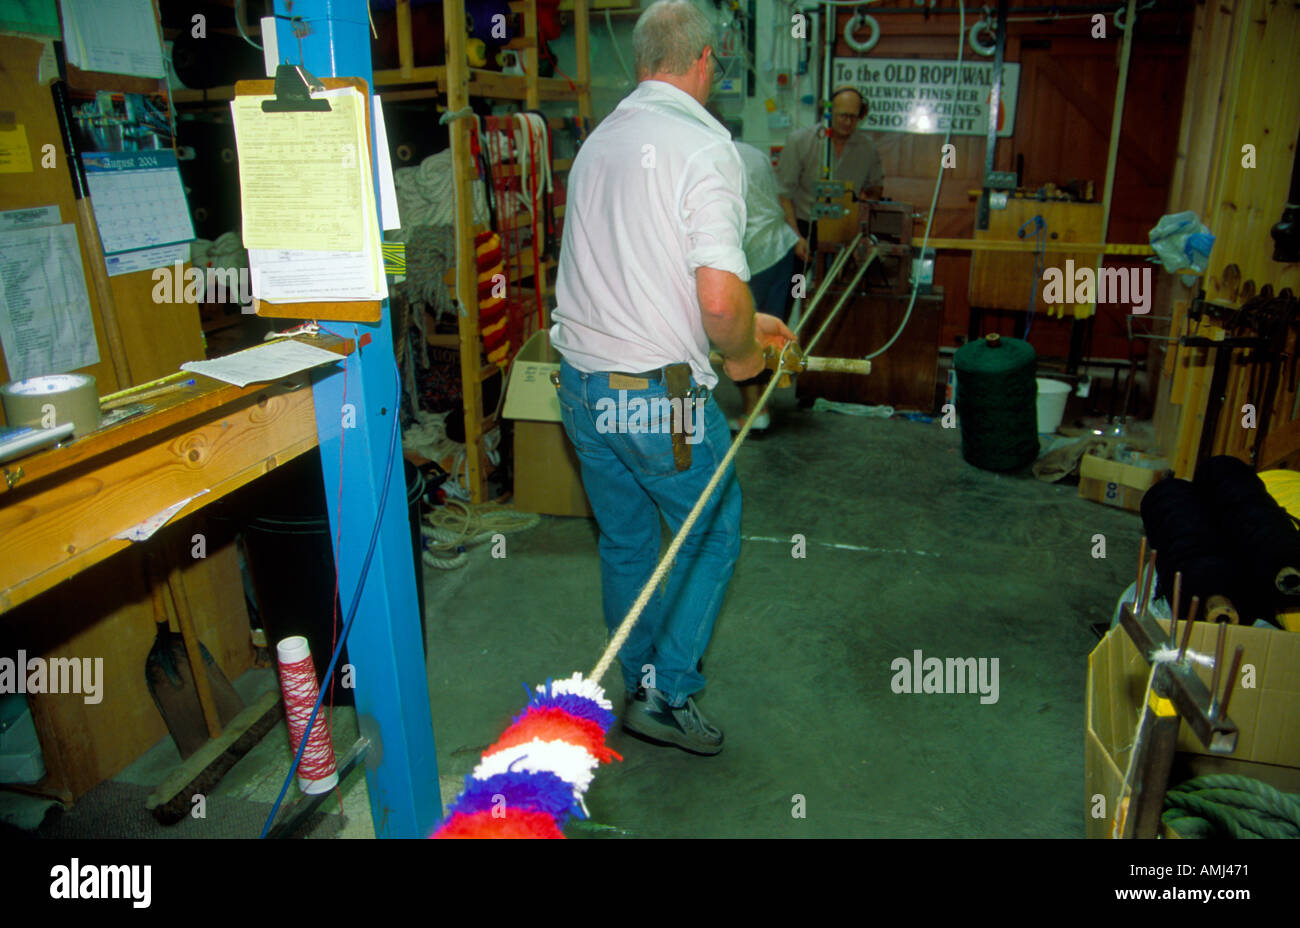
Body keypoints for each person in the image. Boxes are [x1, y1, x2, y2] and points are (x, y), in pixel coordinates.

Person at [550, 0, 794, 755]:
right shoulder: (703, 145)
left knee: (626, 541)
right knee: (713, 528)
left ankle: (638, 676)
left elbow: (643, 276)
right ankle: (667, 691)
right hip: (655, 401)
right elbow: (717, 296)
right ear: (706, 61)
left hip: (582, 388)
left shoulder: (600, 142)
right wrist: (745, 356)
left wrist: (743, 324)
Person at [707, 105, 801, 432]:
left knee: (742, 337)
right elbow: (780, 200)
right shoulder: (753, 154)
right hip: (780, 249)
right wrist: (798, 237)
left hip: (752, 257)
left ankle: (754, 412)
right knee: (765, 334)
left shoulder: (710, 160)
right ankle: (761, 408)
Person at [776, 86, 885, 258]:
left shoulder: (867, 148)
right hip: (804, 229)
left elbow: (876, 188)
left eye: (853, 117)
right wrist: (795, 237)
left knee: (840, 283)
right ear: (830, 112)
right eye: (843, 115)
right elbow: (783, 194)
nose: (848, 122)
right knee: (800, 284)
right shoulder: (800, 141)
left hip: (845, 231)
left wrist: (861, 223)